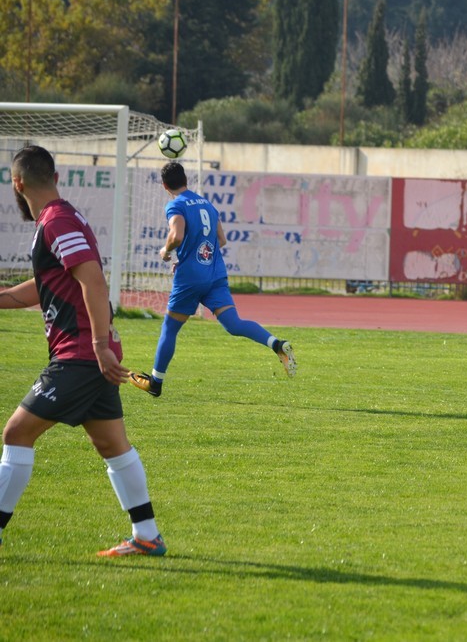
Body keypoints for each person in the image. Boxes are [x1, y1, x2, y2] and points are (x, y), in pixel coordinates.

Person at [0, 145, 166, 556]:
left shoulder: (57, 221)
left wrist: (98, 345)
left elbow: (93, 281)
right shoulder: (57, 218)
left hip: (81, 354)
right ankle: (147, 535)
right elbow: (46, 286)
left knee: (16, 433)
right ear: (55, 178)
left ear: (16, 184)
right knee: (111, 444)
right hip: (89, 354)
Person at [128, 162, 296, 397]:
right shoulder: (207, 204)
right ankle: (277, 344)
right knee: (234, 324)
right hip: (215, 274)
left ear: (165, 186)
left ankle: (155, 383)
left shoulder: (175, 205)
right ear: (186, 179)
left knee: (170, 328)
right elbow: (222, 240)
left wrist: (166, 251)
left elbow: (176, 236)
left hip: (190, 279)